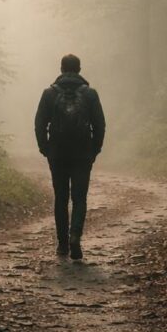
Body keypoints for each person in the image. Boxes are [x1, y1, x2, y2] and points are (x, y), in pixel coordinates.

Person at [34, 54, 106, 260]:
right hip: (83, 153)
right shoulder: (90, 94)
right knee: (79, 197)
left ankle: (62, 245)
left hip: (57, 153)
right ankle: (75, 236)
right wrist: (95, 150)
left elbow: (40, 124)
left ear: (61, 69)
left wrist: (45, 148)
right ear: (79, 69)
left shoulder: (49, 93)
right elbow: (100, 125)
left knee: (61, 198)